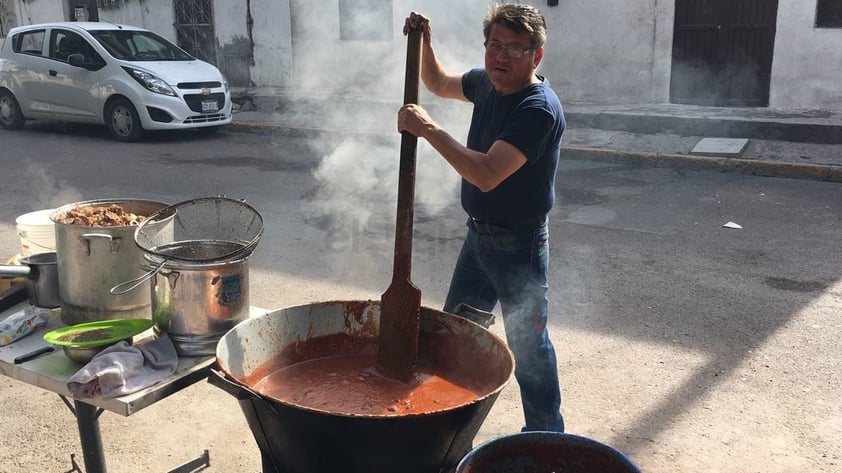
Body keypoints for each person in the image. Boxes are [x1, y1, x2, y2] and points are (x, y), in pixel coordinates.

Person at [398, 4, 565, 432]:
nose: (500, 56)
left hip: (519, 247)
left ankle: (546, 438)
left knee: (528, 348)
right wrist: (426, 43)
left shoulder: (537, 109)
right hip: (480, 239)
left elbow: (487, 174)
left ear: (536, 56)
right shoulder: (487, 83)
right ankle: (448, 431)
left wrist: (429, 130)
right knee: (456, 332)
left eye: (514, 48)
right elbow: (435, 82)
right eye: (494, 44)